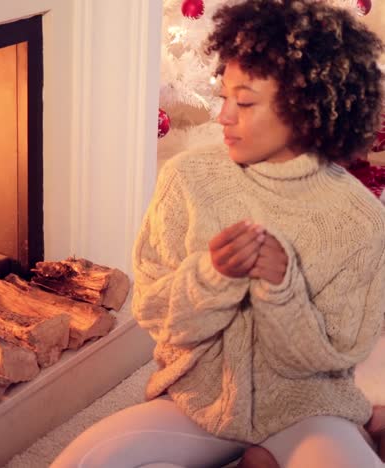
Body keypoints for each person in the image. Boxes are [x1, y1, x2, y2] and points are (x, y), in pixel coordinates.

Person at [50, 1, 385, 467]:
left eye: (244, 102)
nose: (223, 115)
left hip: (308, 411)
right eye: (222, 94)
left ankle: (279, 454)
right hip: (198, 405)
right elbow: (154, 315)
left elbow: (333, 357)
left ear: (306, 110)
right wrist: (210, 277)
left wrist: (282, 289)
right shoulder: (187, 180)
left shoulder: (358, 220)